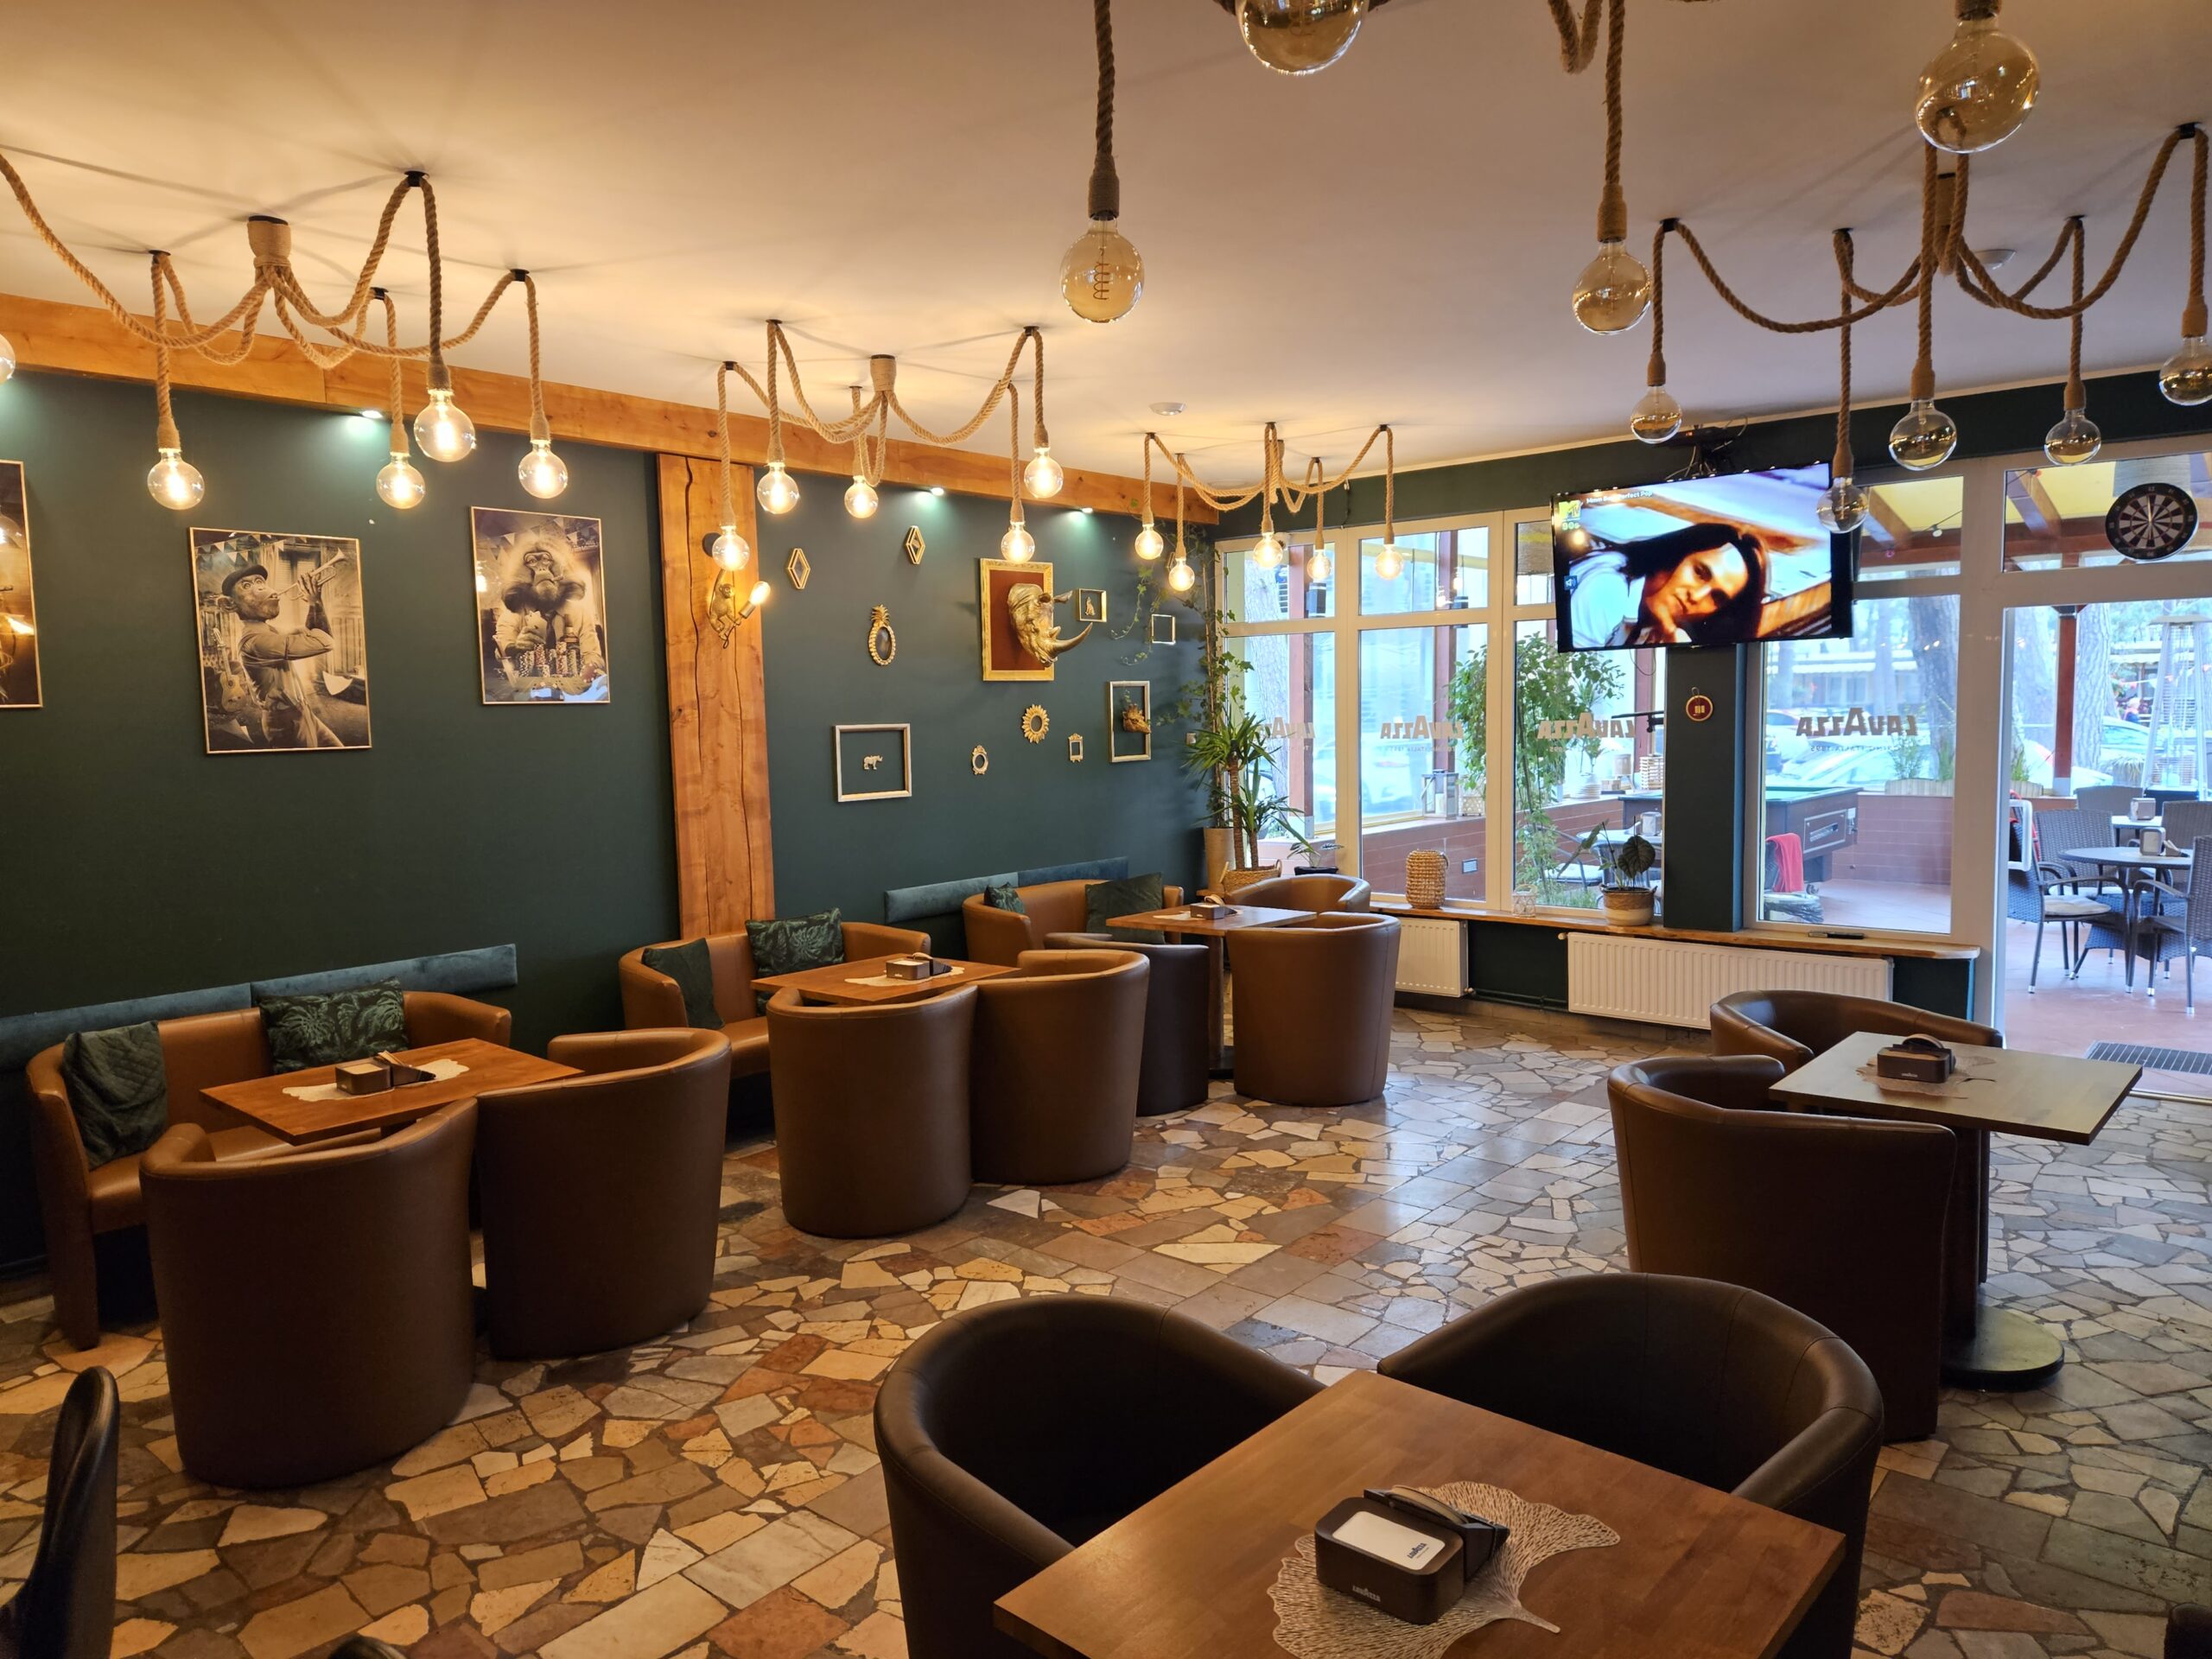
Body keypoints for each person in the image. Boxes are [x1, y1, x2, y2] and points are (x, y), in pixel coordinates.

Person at [1563, 522, 1768, 648]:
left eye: (1716, 597)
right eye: (1699, 573)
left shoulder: (1659, 623)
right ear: (1677, 554)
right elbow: (1574, 679)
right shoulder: (1608, 588)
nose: (1696, 596)